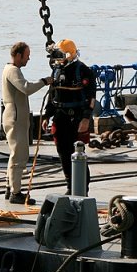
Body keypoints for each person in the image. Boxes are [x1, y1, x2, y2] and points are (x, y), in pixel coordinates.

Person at [41, 39, 96, 195]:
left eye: (60, 54)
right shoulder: (57, 71)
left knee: (77, 152)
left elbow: (91, 97)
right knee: (63, 152)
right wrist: (47, 115)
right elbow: (53, 95)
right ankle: (70, 186)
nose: (57, 59)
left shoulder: (84, 71)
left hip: (77, 118)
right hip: (60, 116)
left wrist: (86, 118)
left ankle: (82, 187)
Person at [1, 42, 53, 205]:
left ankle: (10, 187)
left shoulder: (10, 69)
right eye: (26, 55)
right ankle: (16, 193)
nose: (28, 59)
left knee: (15, 153)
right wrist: (45, 81)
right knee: (20, 155)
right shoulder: (13, 70)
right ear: (18, 55)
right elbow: (26, 88)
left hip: (15, 115)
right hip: (15, 117)